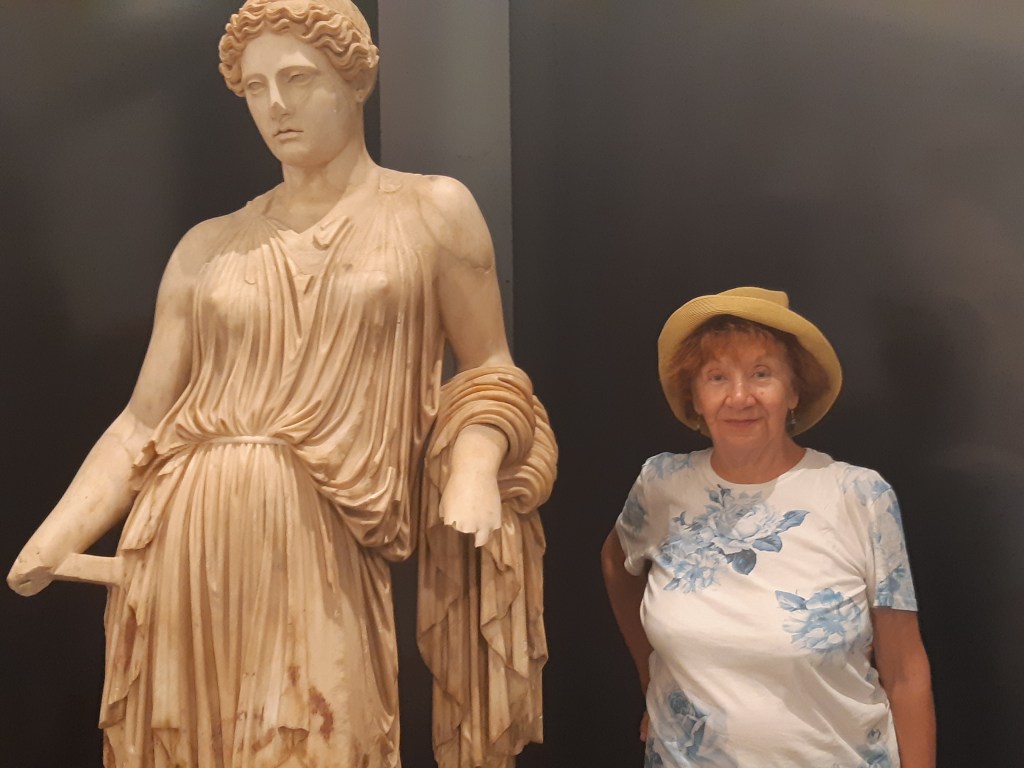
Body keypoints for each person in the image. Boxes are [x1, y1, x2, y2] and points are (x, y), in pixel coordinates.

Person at [7, 2, 555, 767]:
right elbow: (141, 424)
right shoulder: (208, 247)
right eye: (256, 87)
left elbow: (491, 369)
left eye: (298, 78)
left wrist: (473, 463)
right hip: (185, 540)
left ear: (356, 80)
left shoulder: (431, 211)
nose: (275, 104)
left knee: (326, 740)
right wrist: (53, 538)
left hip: (321, 541)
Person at [601, 287, 934, 767]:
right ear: (695, 396)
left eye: (762, 374)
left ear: (794, 391)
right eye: (717, 377)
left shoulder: (860, 496)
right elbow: (616, 563)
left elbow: (905, 672)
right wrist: (651, 676)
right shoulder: (661, 485)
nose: (740, 397)